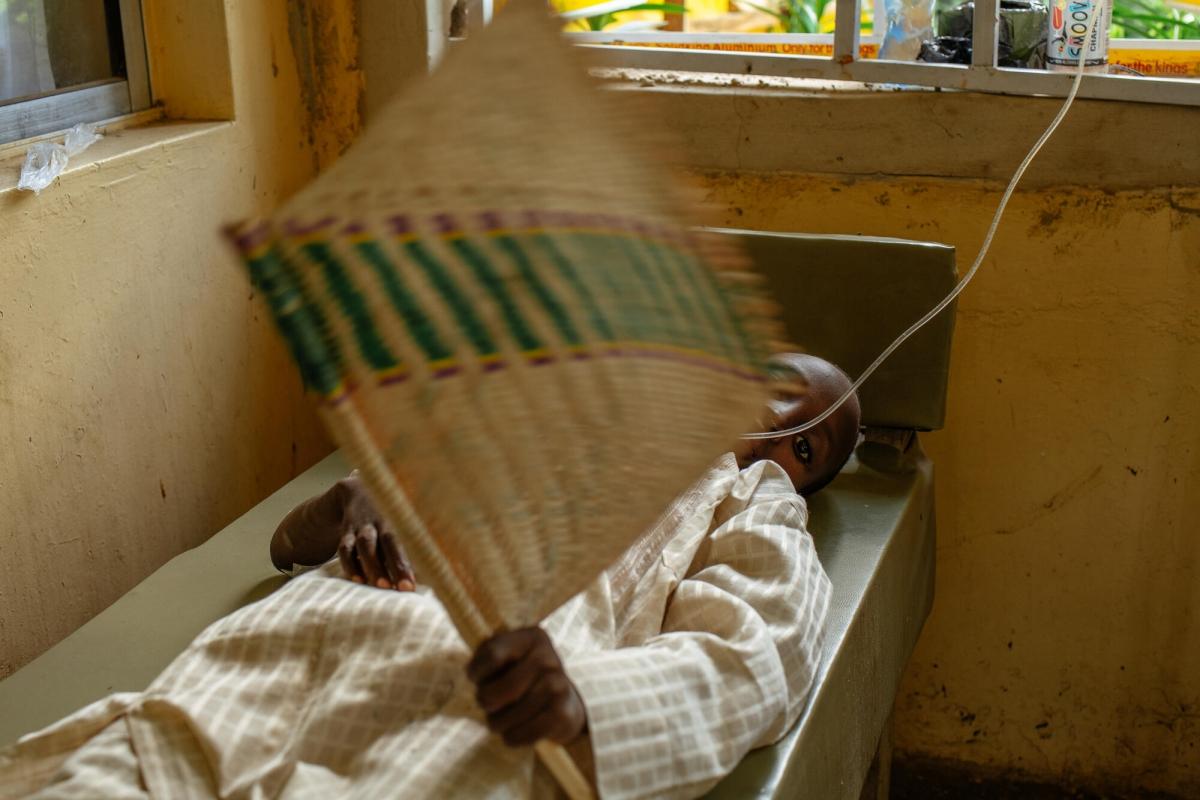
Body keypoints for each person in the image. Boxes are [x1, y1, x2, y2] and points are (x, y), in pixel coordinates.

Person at [1, 354, 860, 800]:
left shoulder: (752, 504)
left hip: (480, 707)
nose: (781, 420)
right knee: (135, 770)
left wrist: (586, 700)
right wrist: (362, 497)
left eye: (807, 442)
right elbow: (288, 542)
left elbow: (758, 656)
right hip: (303, 646)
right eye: (781, 385)